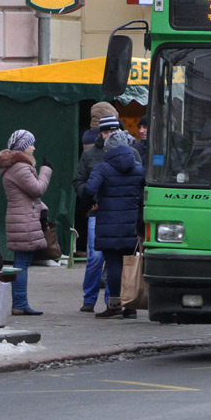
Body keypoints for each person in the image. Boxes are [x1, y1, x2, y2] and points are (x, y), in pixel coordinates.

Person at [83, 129, 145, 319]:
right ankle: (131, 306)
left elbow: (88, 189)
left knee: (113, 264)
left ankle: (115, 305)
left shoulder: (103, 168)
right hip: (132, 225)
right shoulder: (138, 168)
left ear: (109, 150)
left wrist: (92, 201)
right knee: (130, 264)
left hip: (109, 224)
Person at [0, 129, 52, 316]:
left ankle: (21, 302)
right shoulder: (19, 167)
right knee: (21, 264)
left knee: (22, 263)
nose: (34, 148)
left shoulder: (15, 166)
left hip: (21, 218)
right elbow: (37, 189)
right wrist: (46, 171)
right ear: (23, 147)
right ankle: (20, 303)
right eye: (31, 144)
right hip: (23, 220)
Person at [74, 113, 122, 313]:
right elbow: (78, 181)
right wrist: (90, 199)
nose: (109, 135)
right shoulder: (89, 154)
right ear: (100, 133)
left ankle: (112, 299)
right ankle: (89, 298)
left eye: (112, 131)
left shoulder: (128, 153)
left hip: (119, 214)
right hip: (97, 213)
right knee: (95, 257)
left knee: (115, 259)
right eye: (105, 131)